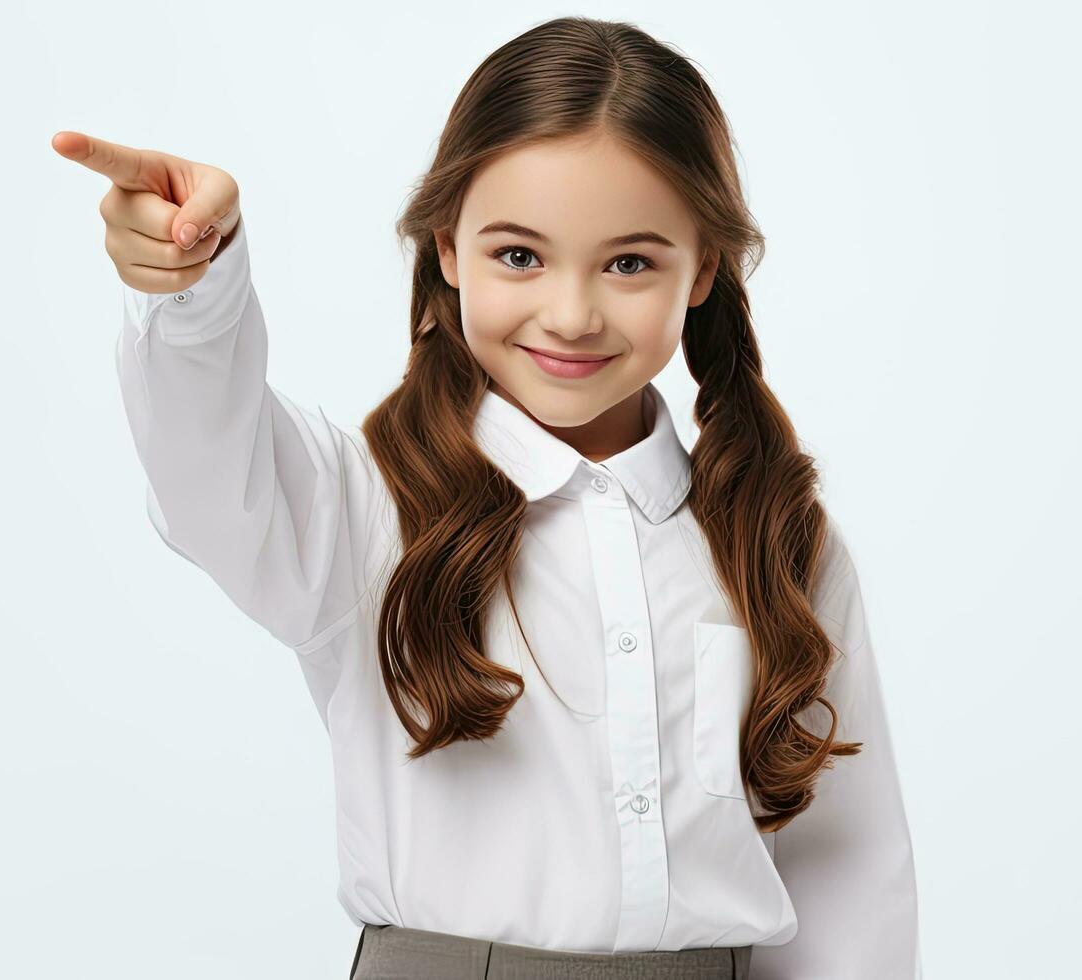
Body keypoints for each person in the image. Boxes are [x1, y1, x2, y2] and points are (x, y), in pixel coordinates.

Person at [54, 15, 919, 980]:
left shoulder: (775, 539)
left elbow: (847, 870)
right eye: (519, 255)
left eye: (630, 262)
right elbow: (206, 464)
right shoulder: (364, 509)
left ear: (703, 267)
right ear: (448, 247)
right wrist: (194, 285)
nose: (572, 312)